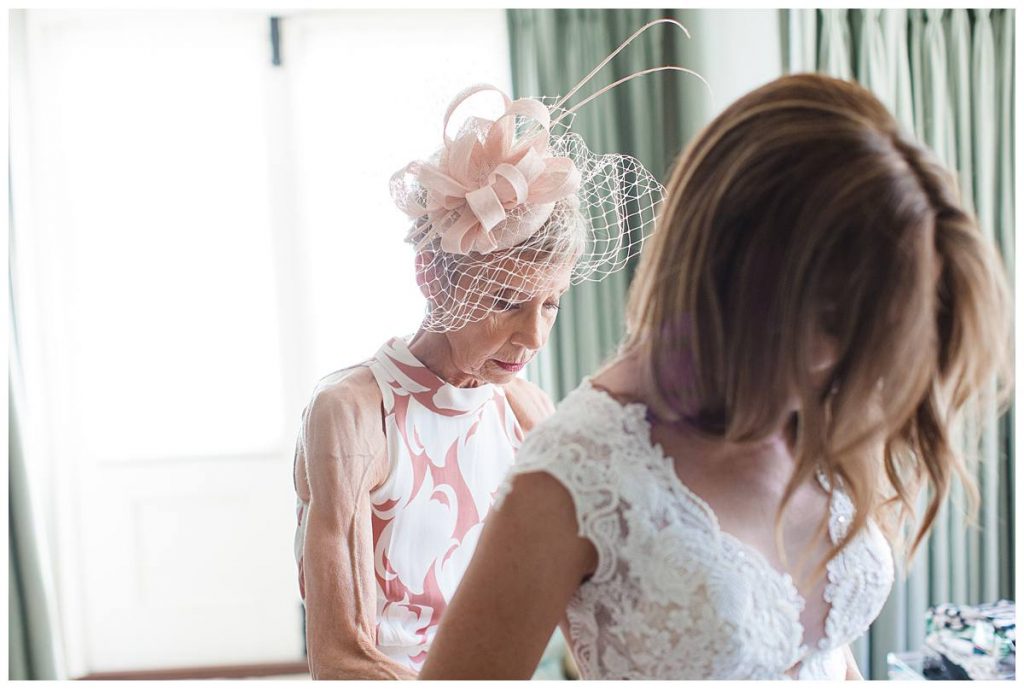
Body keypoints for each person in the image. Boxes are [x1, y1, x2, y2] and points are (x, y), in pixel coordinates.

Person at [419, 73, 1012, 680]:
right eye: (842, 331)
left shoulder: (821, 406)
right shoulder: (572, 475)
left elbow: (822, 655)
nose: (866, 373)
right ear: (751, 282)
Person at [290, 19, 692, 679]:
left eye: (552, 303)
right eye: (508, 301)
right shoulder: (354, 413)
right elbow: (340, 656)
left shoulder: (528, 412)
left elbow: (583, 619)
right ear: (433, 278)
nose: (535, 336)